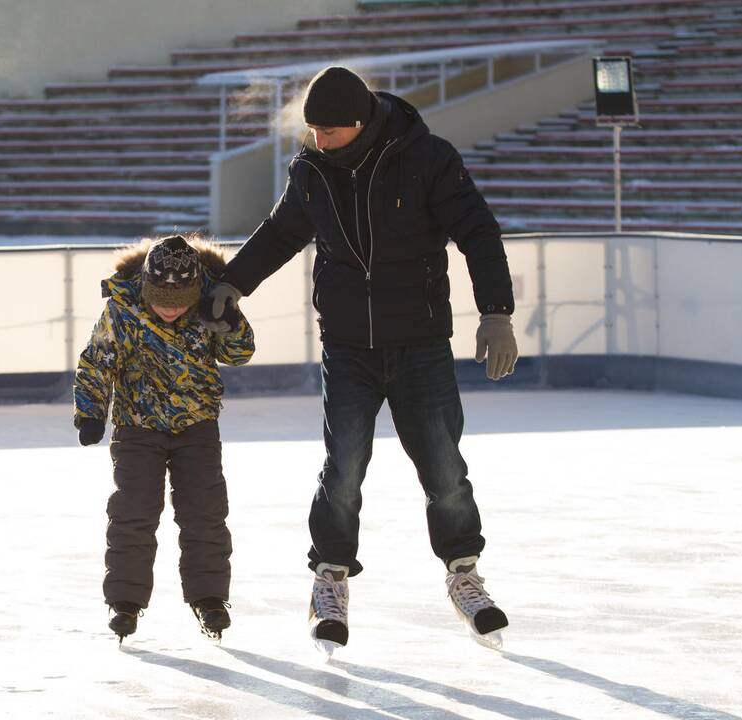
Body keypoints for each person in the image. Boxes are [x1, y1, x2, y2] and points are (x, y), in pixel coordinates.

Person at [202, 66, 518, 652]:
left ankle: (465, 575)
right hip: (347, 344)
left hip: (420, 342)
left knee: (444, 468)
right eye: (311, 130)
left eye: (328, 131)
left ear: (359, 123)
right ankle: (330, 579)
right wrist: (234, 282)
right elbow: (279, 233)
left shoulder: (427, 158)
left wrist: (496, 312)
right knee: (343, 467)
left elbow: (478, 230)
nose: (317, 140)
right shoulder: (312, 171)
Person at [74, 234, 254, 644]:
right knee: (132, 513)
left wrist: (231, 324)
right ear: (145, 287)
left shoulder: (211, 302)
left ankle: (209, 598)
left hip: (197, 427)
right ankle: (124, 601)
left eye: (178, 303)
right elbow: (97, 361)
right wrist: (90, 412)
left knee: (205, 513)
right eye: (161, 301)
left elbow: (239, 354)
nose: (170, 310)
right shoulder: (121, 307)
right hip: (137, 428)